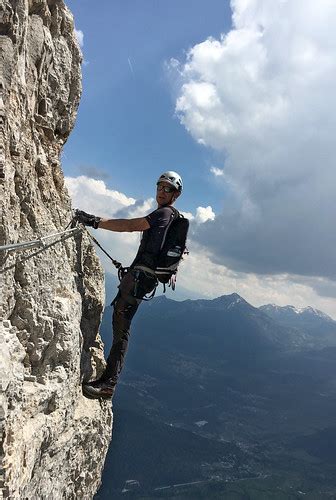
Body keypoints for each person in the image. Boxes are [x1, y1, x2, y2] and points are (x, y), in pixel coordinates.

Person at [75, 171, 183, 400]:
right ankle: (108, 381)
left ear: (176, 194)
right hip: (140, 279)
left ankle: (108, 384)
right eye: (160, 187)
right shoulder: (169, 215)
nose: (162, 192)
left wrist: (96, 222)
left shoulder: (163, 214)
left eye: (167, 189)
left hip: (138, 280)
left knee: (121, 331)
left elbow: (131, 225)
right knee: (120, 328)